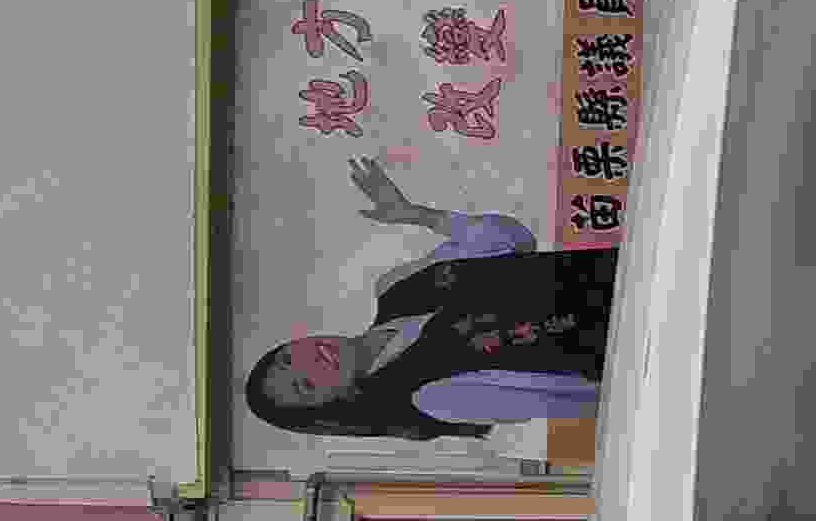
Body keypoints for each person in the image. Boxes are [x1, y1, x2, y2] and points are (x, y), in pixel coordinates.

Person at [246, 156, 619, 443]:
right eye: (306, 385)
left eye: (288, 357)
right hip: (625, 339)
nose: (311, 361)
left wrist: (416, 214)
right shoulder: (427, 398)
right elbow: (562, 394)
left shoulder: (394, 287)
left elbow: (514, 238)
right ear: (336, 401)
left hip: (618, 266)